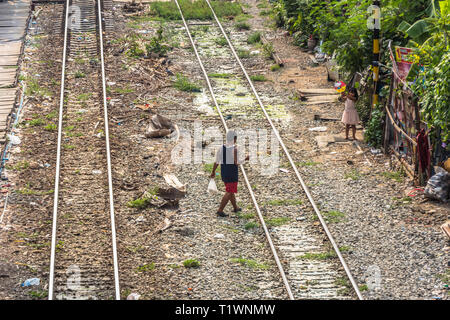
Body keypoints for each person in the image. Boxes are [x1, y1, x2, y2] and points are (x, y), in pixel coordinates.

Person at [210, 130, 248, 217]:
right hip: (232, 174)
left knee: (231, 191)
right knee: (229, 191)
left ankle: (235, 207)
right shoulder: (234, 149)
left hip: (224, 173)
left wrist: (213, 171)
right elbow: (237, 162)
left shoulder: (221, 148)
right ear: (234, 139)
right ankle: (220, 210)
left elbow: (217, 161)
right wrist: (246, 158)